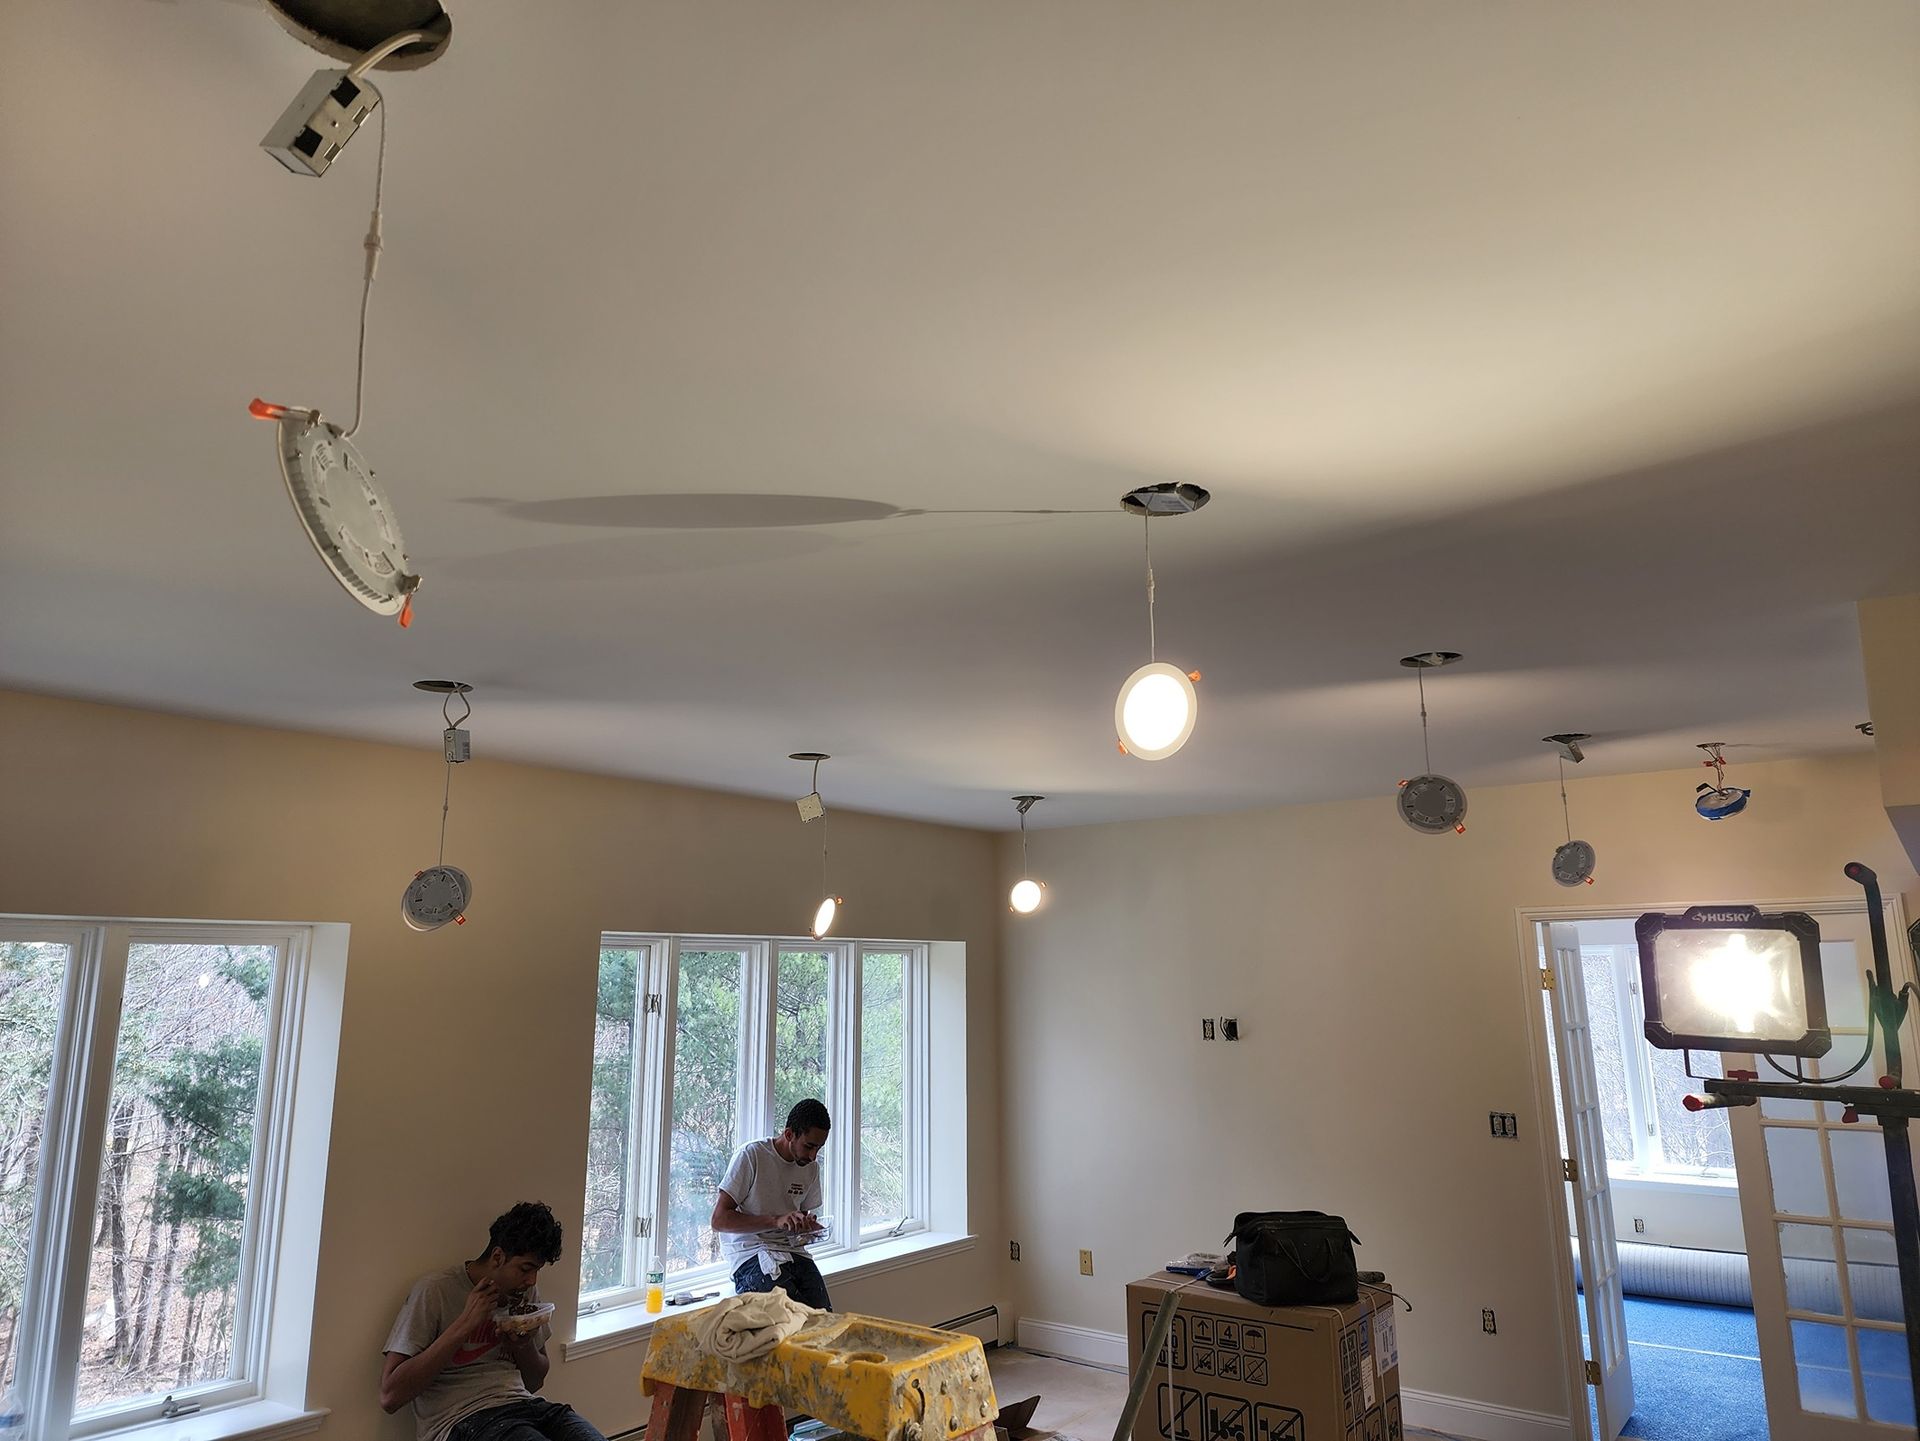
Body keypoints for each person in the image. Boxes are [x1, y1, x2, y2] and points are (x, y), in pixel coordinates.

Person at [381, 1201, 606, 1441]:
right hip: (462, 1419)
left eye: (536, 1270)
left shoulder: (522, 1293)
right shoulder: (435, 1291)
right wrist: (465, 1324)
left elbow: (534, 1382)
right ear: (498, 1257)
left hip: (526, 1405)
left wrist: (523, 1345)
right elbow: (390, 1396)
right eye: (525, 1269)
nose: (532, 1281)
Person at [710, 1099, 833, 1309]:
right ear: (788, 1135)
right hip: (751, 1254)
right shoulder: (751, 1156)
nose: (813, 1156)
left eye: (819, 1148)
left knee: (824, 1319)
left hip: (793, 1253)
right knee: (788, 1320)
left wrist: (806, 1226)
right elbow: (719, 1220)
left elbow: (800, 1224)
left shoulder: (811, 1168)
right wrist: (776, 1221)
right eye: (809, 1146)